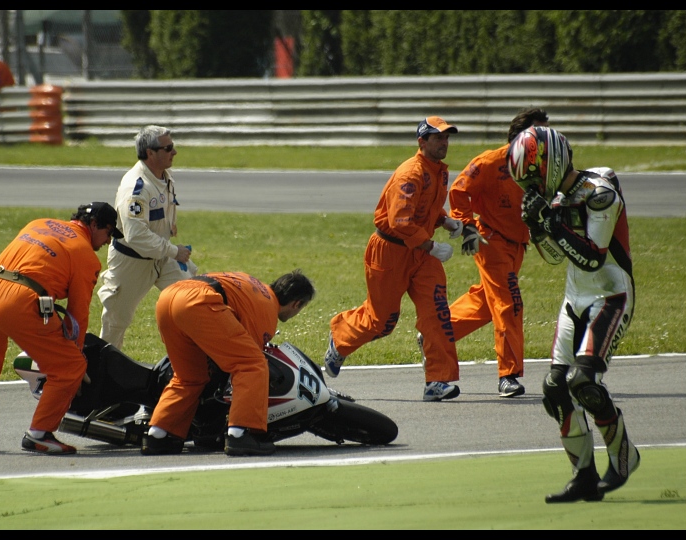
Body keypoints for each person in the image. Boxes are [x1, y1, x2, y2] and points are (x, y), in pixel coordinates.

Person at [507, 126, 640, 502]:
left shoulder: (600, 192)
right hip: (575, 298)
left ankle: (624, 456)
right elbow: (554, 257)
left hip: (611, 296)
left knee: (584, 382)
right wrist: (537, 227)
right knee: (554, 388)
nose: (532, 187)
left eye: (533, 177)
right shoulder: (558, 198)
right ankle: (583, 476)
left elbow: (593, 256)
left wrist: (549, 222)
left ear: (549, 163)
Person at [0, 202, 123, 455]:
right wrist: (75, 357)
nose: (107, 242)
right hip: (20, 301)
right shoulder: (85, 254)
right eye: (109, 233)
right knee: (70, 366)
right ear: (95, 225)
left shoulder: (38, 223)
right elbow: (78, 314)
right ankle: (39, 434)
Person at [324, 116, 464, 402]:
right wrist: (430, 246)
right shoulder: (410, 173)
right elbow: (400, 221)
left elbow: (427, 206)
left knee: (437, 313)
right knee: (382, 320)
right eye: (439, 138)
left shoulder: (439, 171)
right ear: (422, 142)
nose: (444, 143)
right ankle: (340, 339)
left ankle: (437, 381)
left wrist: (445, 221)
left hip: (421, 255)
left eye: (447, 138)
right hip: (391, 251)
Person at [141, 269, 315, 456]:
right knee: (252, 365)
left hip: (169, 297)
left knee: (189, 377)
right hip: (198, 302)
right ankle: (240, 433)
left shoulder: (254, 285)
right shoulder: (268, 309)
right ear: (296, 304)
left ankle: (159, 435)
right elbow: (247, 358)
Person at [445, 107, 550, 398]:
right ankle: (509, 375)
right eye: (539, 134)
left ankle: (439, 332)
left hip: (517, 244)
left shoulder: (543, 164)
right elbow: (459, 190)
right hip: (491, 241)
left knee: (487, 302)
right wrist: (467, 227)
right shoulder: (490, 161)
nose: (546, 140)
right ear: (521, 136)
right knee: (509, 303)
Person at [98, 125, 198, 351]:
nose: (175, 152)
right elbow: (136, 236)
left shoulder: (163, 176)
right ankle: (101, 375)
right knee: (116, 323)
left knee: (194, 300)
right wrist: (174, 251)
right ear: (150, 153)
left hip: (161, 256)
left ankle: (197, 363)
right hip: (132, 262)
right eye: (168, 148)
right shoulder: (136, 187)